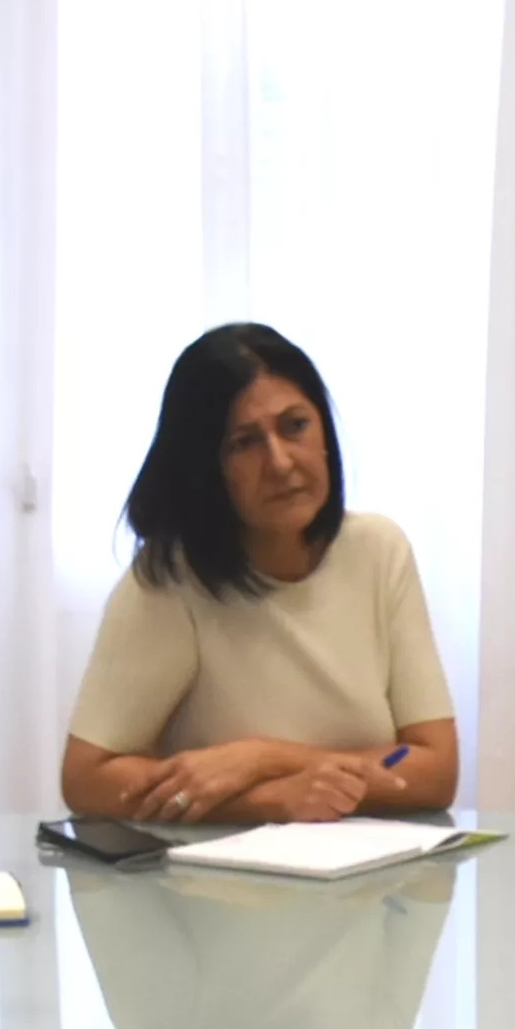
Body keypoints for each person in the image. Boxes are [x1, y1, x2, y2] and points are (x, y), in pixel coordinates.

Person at [61, 323, 458, 826]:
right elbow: (88, 778)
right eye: (244, 443)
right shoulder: (171, 580)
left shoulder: (379, 551)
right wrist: (267, 800)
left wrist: (262, 759)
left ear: (324, 433)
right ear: (206, 467)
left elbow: (432, 768)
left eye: (295, 426)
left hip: (373, 870)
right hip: (217, 872)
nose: (280, 462)